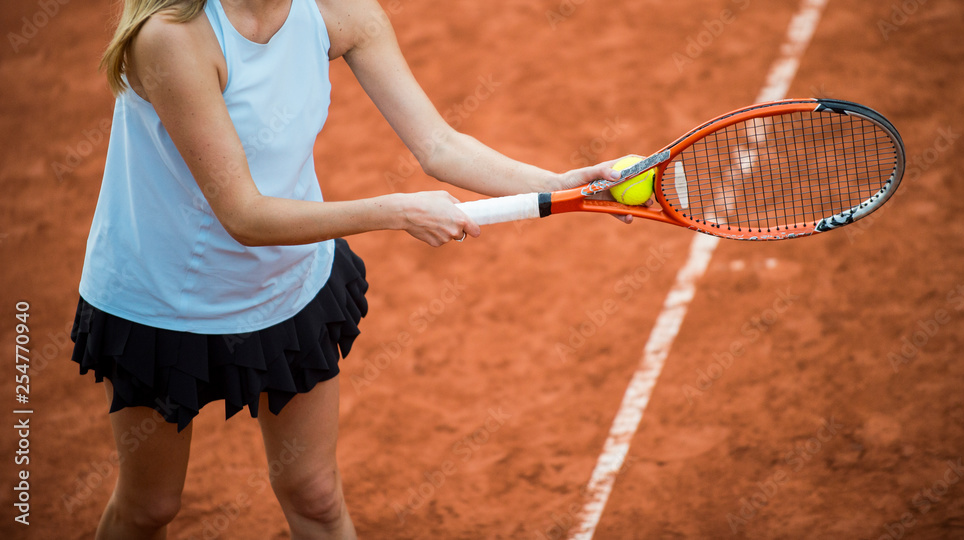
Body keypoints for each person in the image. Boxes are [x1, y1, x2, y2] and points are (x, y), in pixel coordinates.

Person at [71, 0, 633, 537]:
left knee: (314, 494)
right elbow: (242, 214)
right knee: (150, 508)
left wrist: (563, 185)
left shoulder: (338, 11)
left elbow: (439, 144)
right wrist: (394, 210)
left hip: (288, 287)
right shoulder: (172, 36)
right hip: (165, 306)